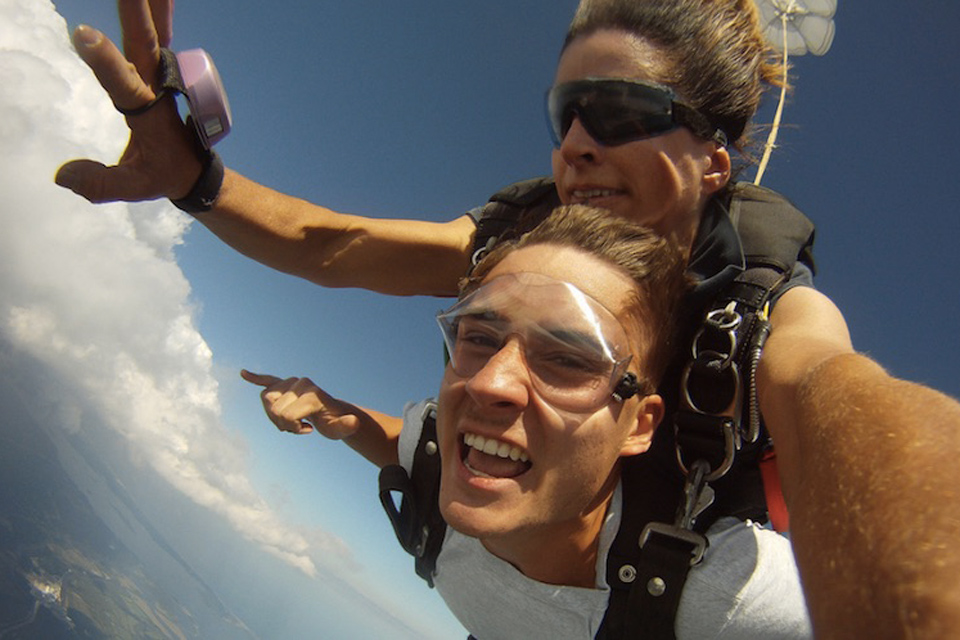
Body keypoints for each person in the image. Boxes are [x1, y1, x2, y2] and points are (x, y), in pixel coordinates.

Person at [56, 0, 960, 636]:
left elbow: (842, 400)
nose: (575, 142)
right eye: (565, 113)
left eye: (618, 111)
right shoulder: (524, 240)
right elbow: (339, 244)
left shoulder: (759, 309)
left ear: (716, 162)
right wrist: (197, 181)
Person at [248, 205, 812, 638]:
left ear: (639, 425)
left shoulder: (725, 595)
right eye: (478, 337)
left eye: (569, 359)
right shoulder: (444, 453)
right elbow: (407, 442)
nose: (491, 383)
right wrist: (333, 412)